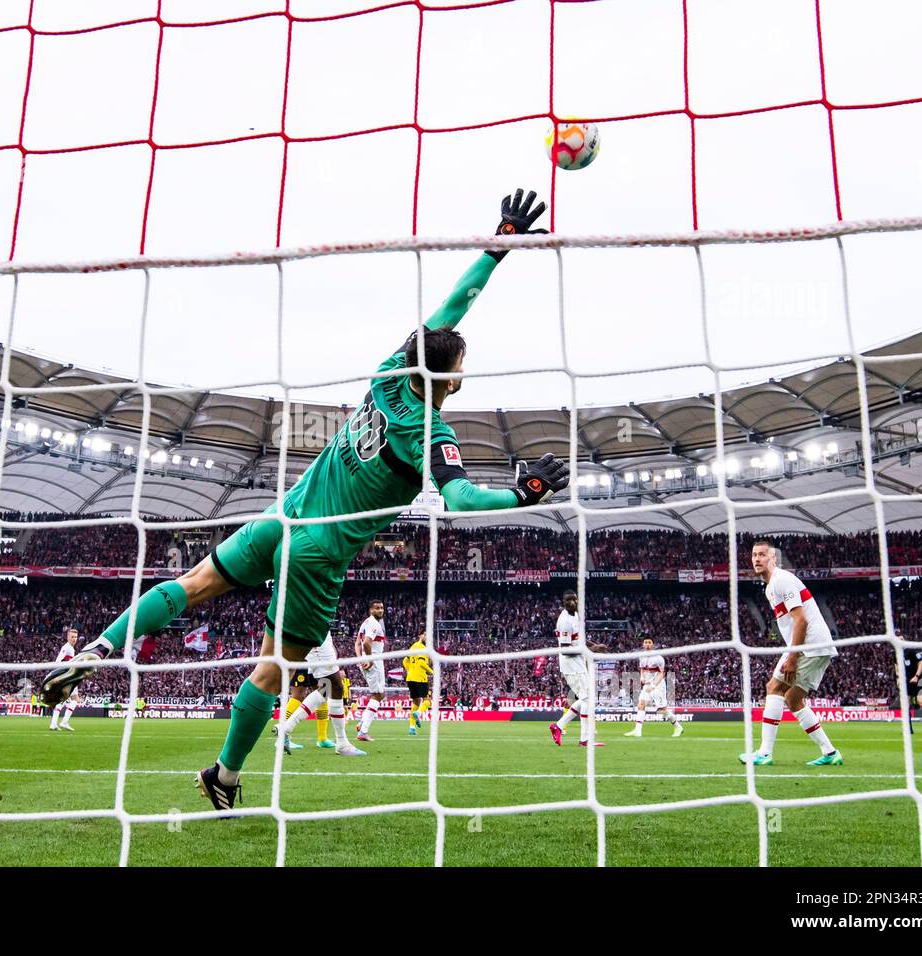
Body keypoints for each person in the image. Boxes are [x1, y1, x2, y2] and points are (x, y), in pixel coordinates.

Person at [41, 190, 570, 812]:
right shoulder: (432, 431)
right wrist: (523, 491)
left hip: (280, 518)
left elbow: (449, 313)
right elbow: (459, 497)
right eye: (461, 362)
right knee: (272, 672)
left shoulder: (388, 374)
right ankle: (225, 776)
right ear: (450, 377)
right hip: (320, 554)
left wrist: (498, 242)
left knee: (191, 583)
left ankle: (99, 649)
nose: (462, 365)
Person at [740, 540, 842, 767]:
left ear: (773, 558)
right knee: (793, 699)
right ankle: (830, 752)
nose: (757, 559)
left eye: (762, 555)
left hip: (809, 645)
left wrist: (793, 656)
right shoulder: (770, 587)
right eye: (754, 555)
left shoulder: (781, 580)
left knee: (774, 688)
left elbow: (801, 620)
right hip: (814, 645)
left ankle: (764, 753)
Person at [270, 626, 365, 755]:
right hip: (315, 631)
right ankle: (342, 743)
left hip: (317, 632)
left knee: (325, 690)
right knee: (333, 687)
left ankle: (286, 728)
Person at [548, 590, 608, 747]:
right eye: (568, 601)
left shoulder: (576, 615)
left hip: (579, 662)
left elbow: (579, 639)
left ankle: (558, 726)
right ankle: (584, 739)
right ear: (563, 602)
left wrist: (593, 645)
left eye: (574, 600)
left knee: (585, 698)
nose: (572, 603)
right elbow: (566, 650)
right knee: (588, 698)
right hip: (571, 664)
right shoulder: (564, 621)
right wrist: (589, 651)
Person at [624, 637, 683, 738]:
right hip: (647, 684)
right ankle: (637, 731)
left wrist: (653, 685)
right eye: (645, 642)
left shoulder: (658, 658)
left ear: (652, 645)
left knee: (661, 710)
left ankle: (678, 726)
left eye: (649, 642)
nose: (647, 644)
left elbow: (662, 674)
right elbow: (642, 669)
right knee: (641, 705)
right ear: (643, 645)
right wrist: (642, 677)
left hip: (658, 685)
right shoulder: (641, 656)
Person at [354, 599, 387, 741]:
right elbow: (366, 643)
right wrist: (370, 659)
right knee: (377, 696)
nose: (380, 610)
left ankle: (362, 722)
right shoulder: (373, 623)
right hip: (374, 663)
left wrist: (361, 659)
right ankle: (363, 732)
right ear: (371, 610)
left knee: (381, 694)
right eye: (377, 608)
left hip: (366, 662)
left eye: (382, 608)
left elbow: (357, 644)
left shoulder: (365, 623)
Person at [403, 630, 434, 736]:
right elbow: (421, 662)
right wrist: (432, 672)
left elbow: (405, 661)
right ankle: (419, 713)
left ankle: (412, 728)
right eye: (425, 635)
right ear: (420, 635)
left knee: (416, 703)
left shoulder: (413, 647)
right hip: (420, 677)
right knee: (427, 701)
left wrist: (410, 670)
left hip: (410, 678)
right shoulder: (422, 648)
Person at [49, 628, 81, 731]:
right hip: (67, 676)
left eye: (75, 637)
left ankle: (54, 723)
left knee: (63, 700)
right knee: (75, 699)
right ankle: (64, 722)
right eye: (72, 637)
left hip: (65, 676)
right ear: (67, 637)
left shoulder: (69, 648)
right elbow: (58, 662)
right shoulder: (68, 648)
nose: (74, 639)